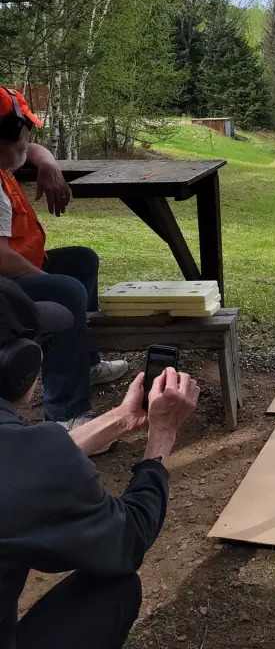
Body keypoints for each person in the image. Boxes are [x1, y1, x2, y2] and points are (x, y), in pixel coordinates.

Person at [0, 276, 200, 649]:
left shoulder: (25, 455)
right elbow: (129, 540)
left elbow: (22, 463)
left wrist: (121, 420)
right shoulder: (30, 458)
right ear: (18, 365)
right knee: (116, 587)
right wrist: (163, 435)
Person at [0, 86, 129, 433]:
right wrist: (40, 279)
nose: (28, 142)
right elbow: (1, 259)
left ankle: (83, 364)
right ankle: (65, 415)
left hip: (14, 273)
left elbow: (34, 150)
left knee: (81, 261)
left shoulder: (4, 161)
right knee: (66, 291)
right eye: (23, 135)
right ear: (7, 136)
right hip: (5, 281)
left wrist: (47, 162)